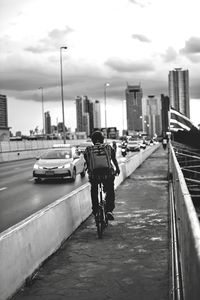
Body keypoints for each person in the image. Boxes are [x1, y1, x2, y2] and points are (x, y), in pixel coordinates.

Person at [84, 131, 120, 221]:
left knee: (94, 190)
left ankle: (96, 210)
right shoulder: (108, 147)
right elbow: (114, 159)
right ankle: (109, 210)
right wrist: (117, 169)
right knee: (110, 190)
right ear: (103, 139)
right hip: (107, 175)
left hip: (95, 176)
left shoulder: (88, 149)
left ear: (92, 140)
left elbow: (87, 163)